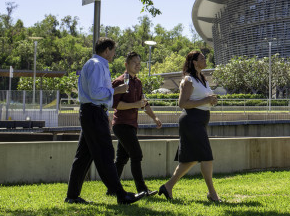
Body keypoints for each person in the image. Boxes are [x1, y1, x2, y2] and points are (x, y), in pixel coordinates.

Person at [65, 37, 143, 205]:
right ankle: (121, 194)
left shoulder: (94, 64)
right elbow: (96, 93)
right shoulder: (97, 65)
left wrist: (105, 112)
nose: (114, 54)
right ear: (107, 50)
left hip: (92, 112)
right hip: (93, 112)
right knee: (106, 153)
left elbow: (94, 94)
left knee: (83, 156)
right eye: (113, 51)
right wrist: (116, 90)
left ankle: (72, 196)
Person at [158, 51, 221, 202]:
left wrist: (211, 101)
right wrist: (206, 100)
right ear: (194, 62)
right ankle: (212, 194)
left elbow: (203, 99)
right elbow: (182, 103)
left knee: (190, 160)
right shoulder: (189, 80)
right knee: (206, 157)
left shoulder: (202, 79)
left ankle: (167, 186)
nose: (205, 60)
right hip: (192, 120)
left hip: (199, 121)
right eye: (202, 58)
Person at [109, 51, 162, 197]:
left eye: (139, 63)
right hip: (121, 125)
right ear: (126, 64)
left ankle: (112, 189)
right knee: (136, 155)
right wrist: (135, 105)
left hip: (132, 125)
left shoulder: (138, 82)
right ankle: (142, 189)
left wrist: (155, 118)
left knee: (121, 158)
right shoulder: (119, 82)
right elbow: (116, 105)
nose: (138, 66)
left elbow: (143, 103)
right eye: (135, 63)